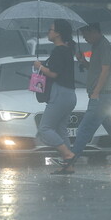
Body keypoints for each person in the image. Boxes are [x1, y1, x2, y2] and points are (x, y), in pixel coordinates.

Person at [59, 22, 111, 174]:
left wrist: (96, 92)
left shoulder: (104, 46)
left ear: (94, 32)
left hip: (100, 97)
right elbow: (95, 69)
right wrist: (83, 61)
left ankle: (69, 159)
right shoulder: (96, 46)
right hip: (102, 97)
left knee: (84, 129)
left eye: (86, 35)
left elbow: (105, 71)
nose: (84, 38)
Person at [34, 19, 78, 175]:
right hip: (69, 94)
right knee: (61, 130)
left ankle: (67, 154)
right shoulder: (66, 50)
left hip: (60, 93)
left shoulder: (59, 51)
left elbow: (54, 73)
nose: (48, 32)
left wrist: (39, 66)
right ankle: (68, 165)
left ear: (58, 33)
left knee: (44, 129)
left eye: (51, 29)